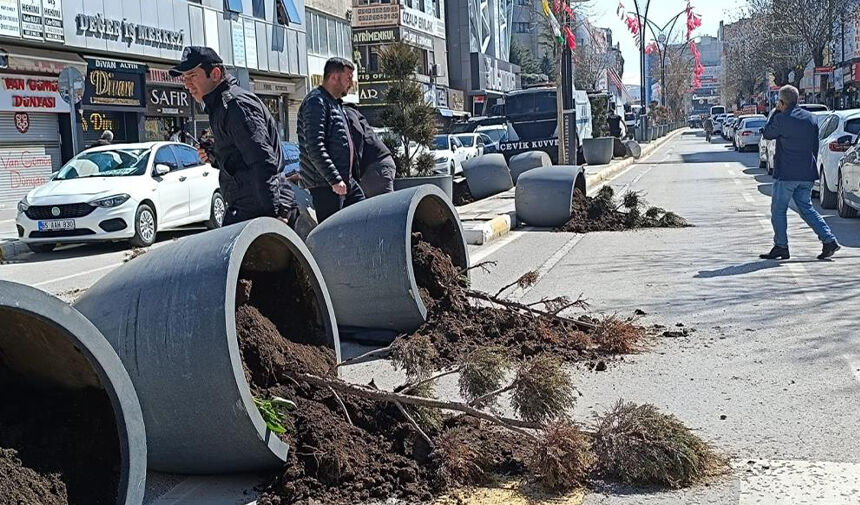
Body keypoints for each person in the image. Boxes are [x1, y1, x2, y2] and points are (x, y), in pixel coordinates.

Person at [170, 46, 296, 227]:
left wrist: (274, 214)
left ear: (214, 73)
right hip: (249, 207)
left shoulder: (236, 106)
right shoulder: (221, 106)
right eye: (184, 78)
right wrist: (214, 155)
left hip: (262, 210)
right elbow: (239, 160)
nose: (187, 84)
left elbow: (262, 161)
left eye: (192, 76)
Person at [760, 85, 839, 260]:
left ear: (781, 102)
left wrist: (774, 112)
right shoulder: (810, 118)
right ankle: (829, 240)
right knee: (806, 208)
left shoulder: (781, 118)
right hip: (807, 173)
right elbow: (815, 146)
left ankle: (781, 246)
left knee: (778, 210)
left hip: (787, 174)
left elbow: (767, 133)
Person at [297, 57, 364, 222]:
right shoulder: (316, 102)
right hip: (326, 185)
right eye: (348, 78)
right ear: (334, 77)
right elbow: (314, 145)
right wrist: (334, 179)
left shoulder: (334, 103)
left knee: (363, 216)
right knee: (332, 232)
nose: (351, 83)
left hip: (345, 181)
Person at [343, 103, 396, 198]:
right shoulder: (348, 111)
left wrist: (356, 169)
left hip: (374, 165)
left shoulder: (346, 112)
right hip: (377, 164)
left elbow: (357, 135)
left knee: (381, 208)